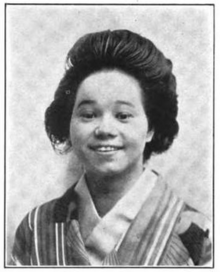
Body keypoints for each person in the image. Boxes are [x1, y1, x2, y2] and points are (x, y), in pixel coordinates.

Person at [10, 29, 212, 266]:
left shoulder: (196, 233)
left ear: (151, 128)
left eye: (123, 115)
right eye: (88, 114)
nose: (105, 129)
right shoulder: (36, 227)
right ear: (68, 123)